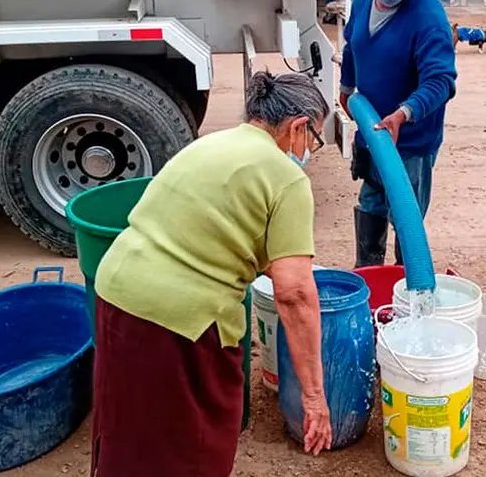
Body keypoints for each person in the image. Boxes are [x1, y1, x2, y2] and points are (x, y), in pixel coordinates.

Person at [90, 71, 333, 476]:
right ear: (298, 127)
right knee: (194, 443)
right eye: (315, 139)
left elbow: (210, 225)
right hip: (180, 321)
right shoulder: (286, 177)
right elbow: (294, 294)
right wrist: (313, 397)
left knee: (130, 428)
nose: (310, 150)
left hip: (117, 289)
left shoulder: (212, 144)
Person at [339, 0, 457, 267]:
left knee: (407, 220)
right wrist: (346, 88)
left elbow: (441, 81)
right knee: (372, 203)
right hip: (373, 134)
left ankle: (410, 285)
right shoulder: (363, 0)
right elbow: (352, 46)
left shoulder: (427, 15)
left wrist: (403, 114)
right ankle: (369, 274)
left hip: (410, 142)